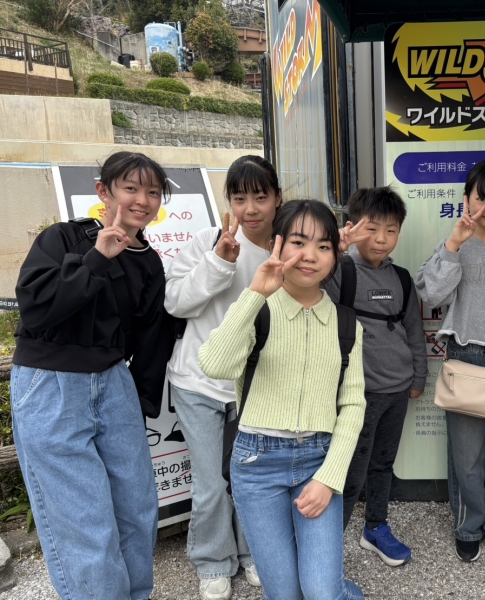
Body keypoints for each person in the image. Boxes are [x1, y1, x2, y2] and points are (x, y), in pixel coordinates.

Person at [11, 151, 173, 600]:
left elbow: (151, 338)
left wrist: (140, 403)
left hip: (114, 383)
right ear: (104, 191)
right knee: (86, 523)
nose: (142, 200)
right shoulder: (64, 238)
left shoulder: (149, 262)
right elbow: (37, 309)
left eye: (153, 192)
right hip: (51, 381)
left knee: (138, 509)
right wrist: (98, 258)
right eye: (130, 188)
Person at [198, 199, 367, 600]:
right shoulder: (258, 309)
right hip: (256, 464)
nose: (310, 255)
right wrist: (256, 293)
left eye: (324, 246)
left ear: (335, 254)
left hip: (318, 459)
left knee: (322, 592)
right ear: (277, 244)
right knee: (285, 593)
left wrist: (329, 478)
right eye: (298, 242)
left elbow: (353, 404)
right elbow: (214, 364)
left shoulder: (346, 324)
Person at [165, 155, 281, 599]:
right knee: (211, 482)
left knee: (253, 477)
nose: (250, 209)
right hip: (197, 381)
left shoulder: (285, 248)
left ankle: (254, 553)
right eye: (239, 198)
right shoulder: (208, 241)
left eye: (260, 197)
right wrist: (218, 262)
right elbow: (175, 303)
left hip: (254, 384)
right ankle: (213, 561)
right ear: (228, 201)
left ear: (277, 198)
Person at [414, 159, 485, 565]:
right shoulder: (456, 245)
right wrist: (452, 245)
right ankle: (468, 526)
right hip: (465, 358)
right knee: (466, 457)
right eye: (482, 197)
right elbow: (431, 295)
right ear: (466, 199)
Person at [323, 186, 427, 566]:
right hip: (357, 395)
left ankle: (375, 527)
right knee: (350, 472)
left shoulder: (401, 278)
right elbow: (308, 285)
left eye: (391, 230)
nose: (382, 239)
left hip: (397, 391)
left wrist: (418, 377)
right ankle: (326, 545)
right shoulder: (340, 271)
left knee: (383, 464)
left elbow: (414, 330)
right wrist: (335, 251)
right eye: (372, 229)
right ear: (353, 228)